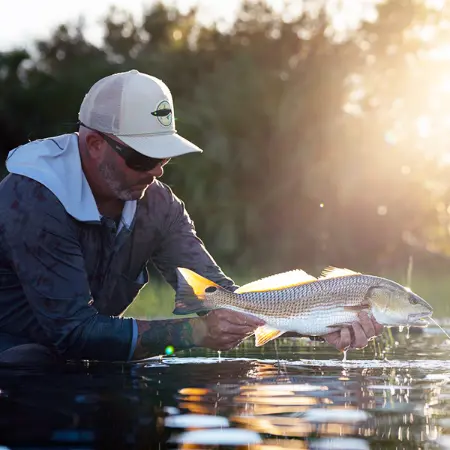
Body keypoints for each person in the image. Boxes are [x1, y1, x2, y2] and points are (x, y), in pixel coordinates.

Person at [0, 69, 383, 365]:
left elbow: (220, 299)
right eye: (143, 158)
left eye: (163, 157)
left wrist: (326, 323)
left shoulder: (159, 206)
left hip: (78, 367)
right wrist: (193, 333)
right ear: (96, 144)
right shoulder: (33, 199)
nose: (157, 171)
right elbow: (73, 331)